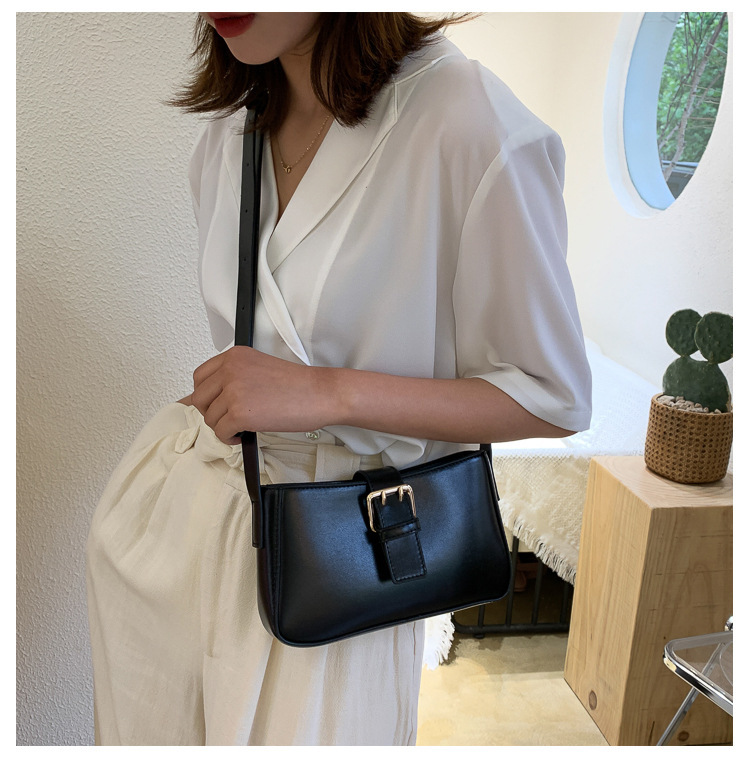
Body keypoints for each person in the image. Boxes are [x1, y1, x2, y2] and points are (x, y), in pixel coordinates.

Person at [86, 12, 592, 746]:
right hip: (187, 539)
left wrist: (329, 392)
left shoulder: (465, 120)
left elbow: (553, 394)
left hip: (343, 562)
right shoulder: (230, 130)